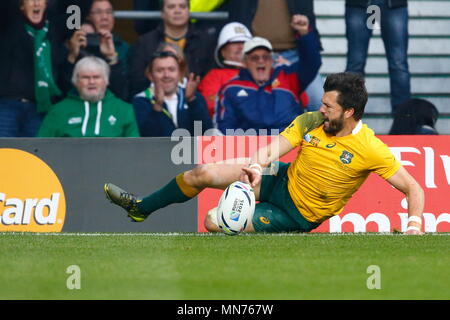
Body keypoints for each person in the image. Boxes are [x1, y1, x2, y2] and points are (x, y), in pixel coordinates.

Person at [104, 72, 424, 235]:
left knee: (214, 222)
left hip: (298, 214)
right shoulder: (312, 120)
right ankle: (141, 207)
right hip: (279, 179)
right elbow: (275, 147)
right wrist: (257, 166)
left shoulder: (370, 148)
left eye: (329, 106)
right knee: (201, 173)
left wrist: (413, 226)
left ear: (350, 112)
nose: (321, 109)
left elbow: (413, 188)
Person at [216, 14, 321, 134]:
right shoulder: (231, 88)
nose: (261, 61)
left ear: (272, 61)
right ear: (245, 63)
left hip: (290, 145)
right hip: (250, 147)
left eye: (265, 57)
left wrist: (304, 34)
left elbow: (312, 63)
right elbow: (225, 128)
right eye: (255, 58)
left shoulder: (288, 77)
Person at [0, 0, 79, 137]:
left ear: (47, 4)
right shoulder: (8, 25)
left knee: (35, 156)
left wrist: (72, 55)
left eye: (40, 0)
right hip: (7, 106)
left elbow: (77, 9)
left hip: (42, 108)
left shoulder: (55, 30)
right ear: (21, 6)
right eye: (31, 0)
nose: (36, 3)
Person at [227, 0, 324, 111]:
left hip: (295, 55)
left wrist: (305, 32)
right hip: (254, 57)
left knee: (319, 103)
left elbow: (312, 58)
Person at [128, 0, 216, 98]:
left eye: (182, 6)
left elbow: (211, 80)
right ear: (162, 13)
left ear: (188, 11)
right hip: (154, 102)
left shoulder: (205, 41)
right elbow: (137, 80)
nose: (177, 11)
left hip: (194, 102)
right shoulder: (145, 42)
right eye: (171, 7)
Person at [38, 56, 139, 137]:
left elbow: (133, 150)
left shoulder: (124, 110)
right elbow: (41, 147)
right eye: (85, 77)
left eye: (96, 77)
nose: (91, 82)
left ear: (106, 80)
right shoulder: (58, 111)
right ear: (76, 81)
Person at [345, 0, 411, 113]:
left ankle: (403, 123)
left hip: (392, 5)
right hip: (359, 5)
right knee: (355, 65)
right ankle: (349, 121)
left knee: (398, 65)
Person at [131, 49, 212, 137]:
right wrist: (157, 106)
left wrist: (191, 101)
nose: (166, 75)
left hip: (192, 150)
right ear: (150, 75)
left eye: (171, 69)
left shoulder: (195, 97)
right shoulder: (141, 101)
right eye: (160, 70)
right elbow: (147, 139)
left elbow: (207, 134)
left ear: (180, 73)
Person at [67, 0, 129, 101]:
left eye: (109, 12)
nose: (104, 17)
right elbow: (63, 89)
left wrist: (112, 58)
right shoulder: (75, 44)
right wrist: (72, 55)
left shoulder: (124, 48)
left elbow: (123, 92)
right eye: (98, 12)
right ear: (88, 16)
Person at [198, 22, 252, 117]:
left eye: (244, 43)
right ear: (223, 51)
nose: (241, 46)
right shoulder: (214, 76)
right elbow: (211, 106)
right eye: (235, 42)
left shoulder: (263, 73)